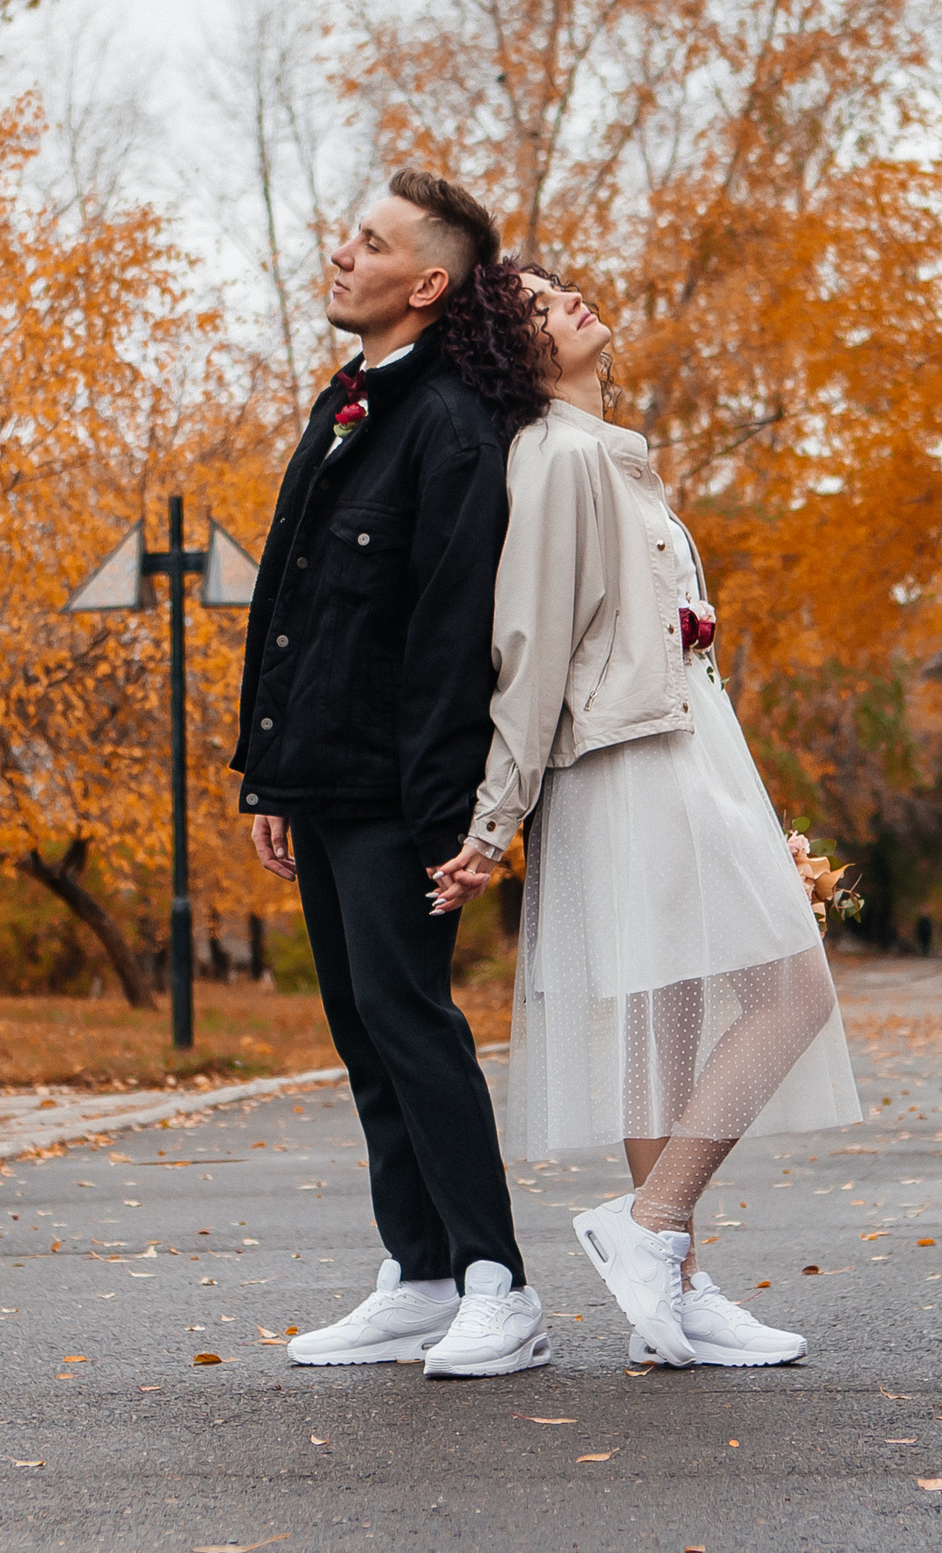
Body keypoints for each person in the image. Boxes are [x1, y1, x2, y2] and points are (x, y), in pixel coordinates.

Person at [430, 265, 864, 1368]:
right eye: (536, 308)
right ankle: (654, 1221)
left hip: (678, 744)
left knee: (665, 1018)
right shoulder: (560, 457)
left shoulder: (601, 451)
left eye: (559, 288)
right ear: (513, 353)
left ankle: (666, 1295)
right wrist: (493, 822)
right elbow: (529, 650)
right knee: (794, 988)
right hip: (633, 762)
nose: (568, 301)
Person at [233, 170, 555, 1379]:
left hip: (396, 794)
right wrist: (270, 775)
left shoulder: (451, 424)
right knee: (365, 1032)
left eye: (369, 243)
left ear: (425, 283)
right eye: (348, 236)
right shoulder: (346, 399)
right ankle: (417, 1276)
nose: (342, 254)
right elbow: (294, 603)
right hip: (323, 777)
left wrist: (447, 821)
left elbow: (448, 634)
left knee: (412, 1026)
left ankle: (497, 1285)